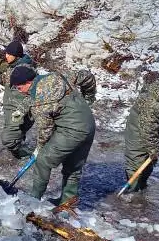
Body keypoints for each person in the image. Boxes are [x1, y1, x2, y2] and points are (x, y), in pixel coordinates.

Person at [11, 66, 96, 204]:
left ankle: (33, 201)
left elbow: (45, 130)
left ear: (28, 82)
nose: (18, 91)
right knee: (73, 167)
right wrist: (88, 98)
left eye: (19, 88)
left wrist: (39, 148)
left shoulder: (40, 105)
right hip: (89, 124)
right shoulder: (57, 76)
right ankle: (67, 203)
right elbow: (86, 75)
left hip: (71, 131)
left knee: (42, 160)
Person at [0, 39, 36, 159]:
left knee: (8, 137)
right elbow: (10, 84)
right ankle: (18, 147)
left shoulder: (24, 69)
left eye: (9, 54)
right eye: (6, 53)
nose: (6, 56)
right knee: (16, 130)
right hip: (11, 106)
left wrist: (23, 110)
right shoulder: (14, 66)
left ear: (17, 55)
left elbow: (33, 90)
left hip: (18, 108)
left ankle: (24, 152)